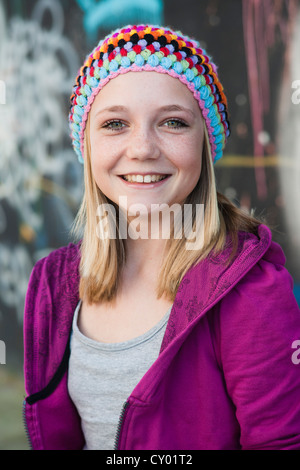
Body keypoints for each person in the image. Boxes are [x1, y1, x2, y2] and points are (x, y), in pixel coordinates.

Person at [23, 24, 300, 451]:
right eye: (115, 123)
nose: (142, 148)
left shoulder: (250, 291)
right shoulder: (52, 285)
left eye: (173, 122)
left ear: (205, 144)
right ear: (88, 146)